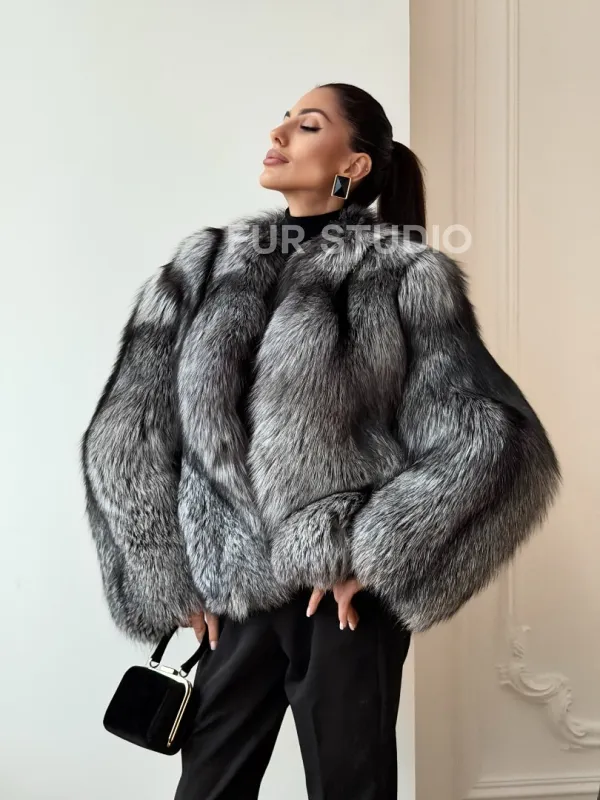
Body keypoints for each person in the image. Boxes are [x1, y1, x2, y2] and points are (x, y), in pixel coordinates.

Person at [80, 82, 561, 799]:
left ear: (354, 165)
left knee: (350, 784)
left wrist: (379, 550)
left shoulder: (403, 274)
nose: (278, 134)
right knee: (208, 785)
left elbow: (494, 438)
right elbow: (127, 429)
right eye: (283, 120)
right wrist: (166, 573)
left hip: (339, 600)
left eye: (307, 125)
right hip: (232, 593)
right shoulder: (201, 268)